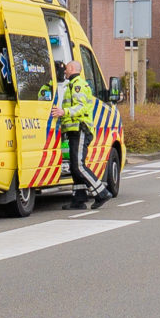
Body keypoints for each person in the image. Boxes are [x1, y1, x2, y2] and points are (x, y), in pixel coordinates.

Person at [57, 58, 106, 210]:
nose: (64, 71)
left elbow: (81, 107)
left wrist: (63, 112)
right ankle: (79, 199)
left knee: (78, 165)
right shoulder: (72, 85)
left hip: (80, 129)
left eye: (66, 68)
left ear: (71, 69)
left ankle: (101, 192)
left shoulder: (77, 85)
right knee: (73, 166)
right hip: (74, 130)